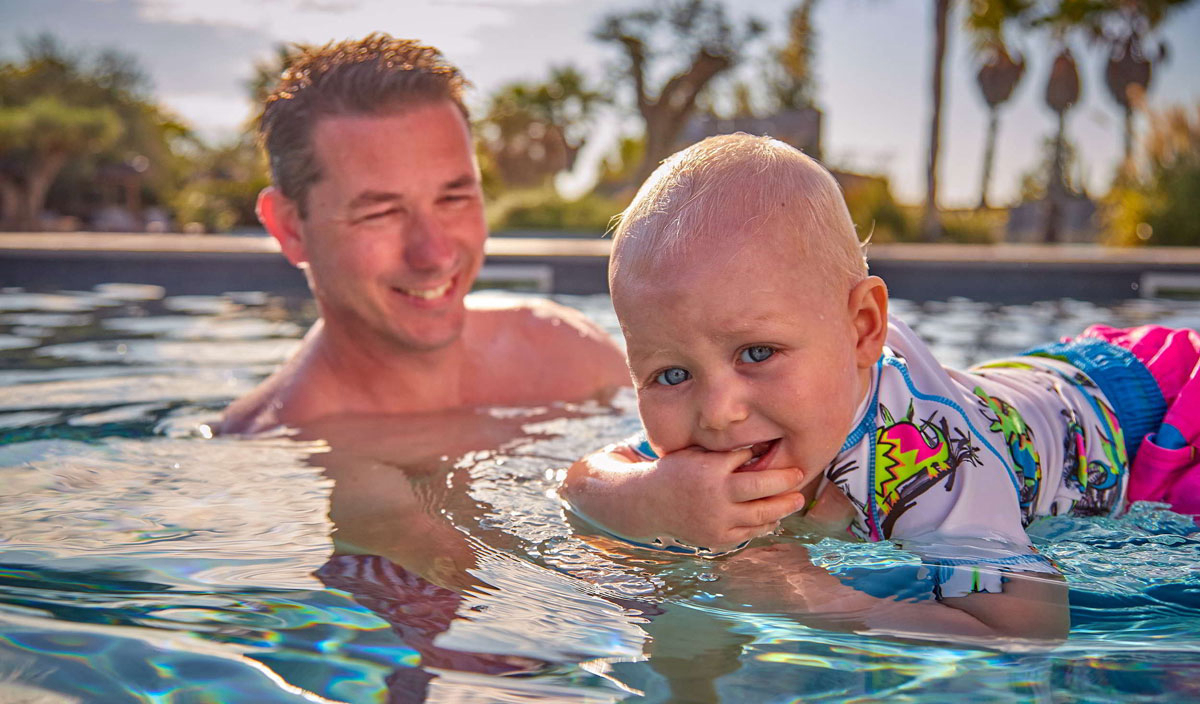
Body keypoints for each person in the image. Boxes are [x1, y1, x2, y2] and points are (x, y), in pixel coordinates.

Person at [561, 133, 1200, 642]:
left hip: (1142, 409)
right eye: (671, 374)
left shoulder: (931, 456)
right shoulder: (731, 406)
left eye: (758, 353)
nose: (719, 412)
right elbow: (583, 482)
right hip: (1024, 388)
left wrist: (811, 596)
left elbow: (1027, 628)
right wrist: (648, 501)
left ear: (862, 329)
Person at [219, 34, 629, 435]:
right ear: (290, 228)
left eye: (453, 198)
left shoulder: (571, 360)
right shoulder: (268, 450)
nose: (434, 255)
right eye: (381, 212)